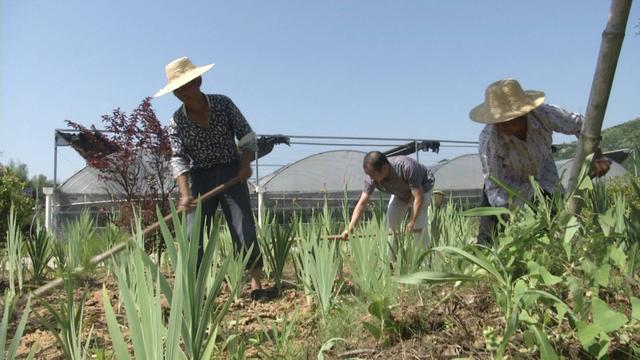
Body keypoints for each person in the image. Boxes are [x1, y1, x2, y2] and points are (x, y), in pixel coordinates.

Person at [154, 56, 267, 298]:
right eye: (176, 90)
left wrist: (245, 165)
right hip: (200, 177)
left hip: (231, 172)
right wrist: (185, 194)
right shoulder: (176, 122)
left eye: (185, 86)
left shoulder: (223, 104)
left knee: (243, 226)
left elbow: (246, 137)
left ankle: (256, 283)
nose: (182, 93)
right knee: (192, 231)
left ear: (198, 81)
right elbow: (178, 157)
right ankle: (195, 289)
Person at [469, 79, 610, 244]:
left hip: (544, 177)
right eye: (495, 120)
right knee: (488, 239)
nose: (499, 124)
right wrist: (513, 219)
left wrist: (597, 156)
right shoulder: (490, 140)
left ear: (521, 114)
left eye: (505, 119)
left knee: (556, 230)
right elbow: (494, 185)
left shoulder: (545, 115)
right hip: (506, 187)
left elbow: (583, 125)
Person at [341, 151, 435, 251]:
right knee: (391, 222)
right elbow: (362, 203)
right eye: (368, 174)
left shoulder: (406, 167)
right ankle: (391, 260)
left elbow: (418, 198)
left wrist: (412, 221)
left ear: (385, 168)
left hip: (423, 187)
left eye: (372, 174)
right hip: (400, 192)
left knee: (418, 224)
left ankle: (424, 261)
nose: (371, 178)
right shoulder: (371, 178)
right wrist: (350, 228)